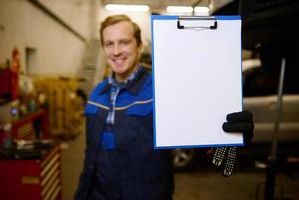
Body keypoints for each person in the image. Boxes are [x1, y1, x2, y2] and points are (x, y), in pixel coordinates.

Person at [75, 14, 254, 200]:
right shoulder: (97, 93)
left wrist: (230, 135)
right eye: (109, 44)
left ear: (139, 46)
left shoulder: (164, 89)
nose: (116, 51)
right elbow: (90, 156)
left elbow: (200, 131)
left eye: (124, 42)